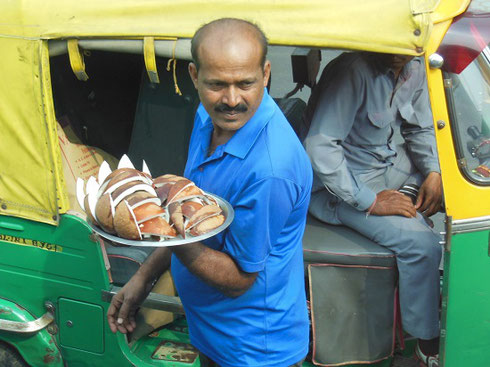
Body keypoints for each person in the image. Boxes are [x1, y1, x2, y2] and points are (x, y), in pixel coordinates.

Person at [107, 18, 312, 367]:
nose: (232, 100)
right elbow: (186, 210)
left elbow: (237, 280)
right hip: (209, 331)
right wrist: (144, 276)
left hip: (253, 349)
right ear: (194, 76)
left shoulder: (271, 170)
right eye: (217, 84)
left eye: (245, 83)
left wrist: (162, 232)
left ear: (265, 74)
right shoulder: (207, 116)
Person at [302, 52, 443, 367]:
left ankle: (408, 201)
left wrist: (434, 172)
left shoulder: (413, 68)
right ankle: (424, 343)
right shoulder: (351, 73)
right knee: (422, 245)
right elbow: (320, 147)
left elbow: (419, 129)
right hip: (343, 186)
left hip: (387, 163)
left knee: (452, 181)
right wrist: (371, 201)